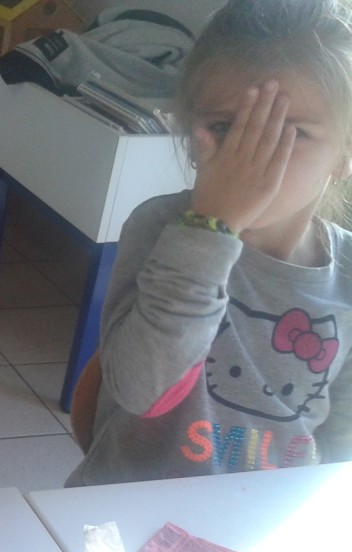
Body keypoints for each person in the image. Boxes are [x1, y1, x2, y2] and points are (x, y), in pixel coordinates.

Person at [67, 0, 352, 486]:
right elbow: (139, 390)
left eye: (293, 133)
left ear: (344, 154)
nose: (251, 158)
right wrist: (211, 227)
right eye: (225, 128)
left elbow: (342, 440)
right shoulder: (161, 227)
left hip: (265, 512)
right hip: (131, 504)